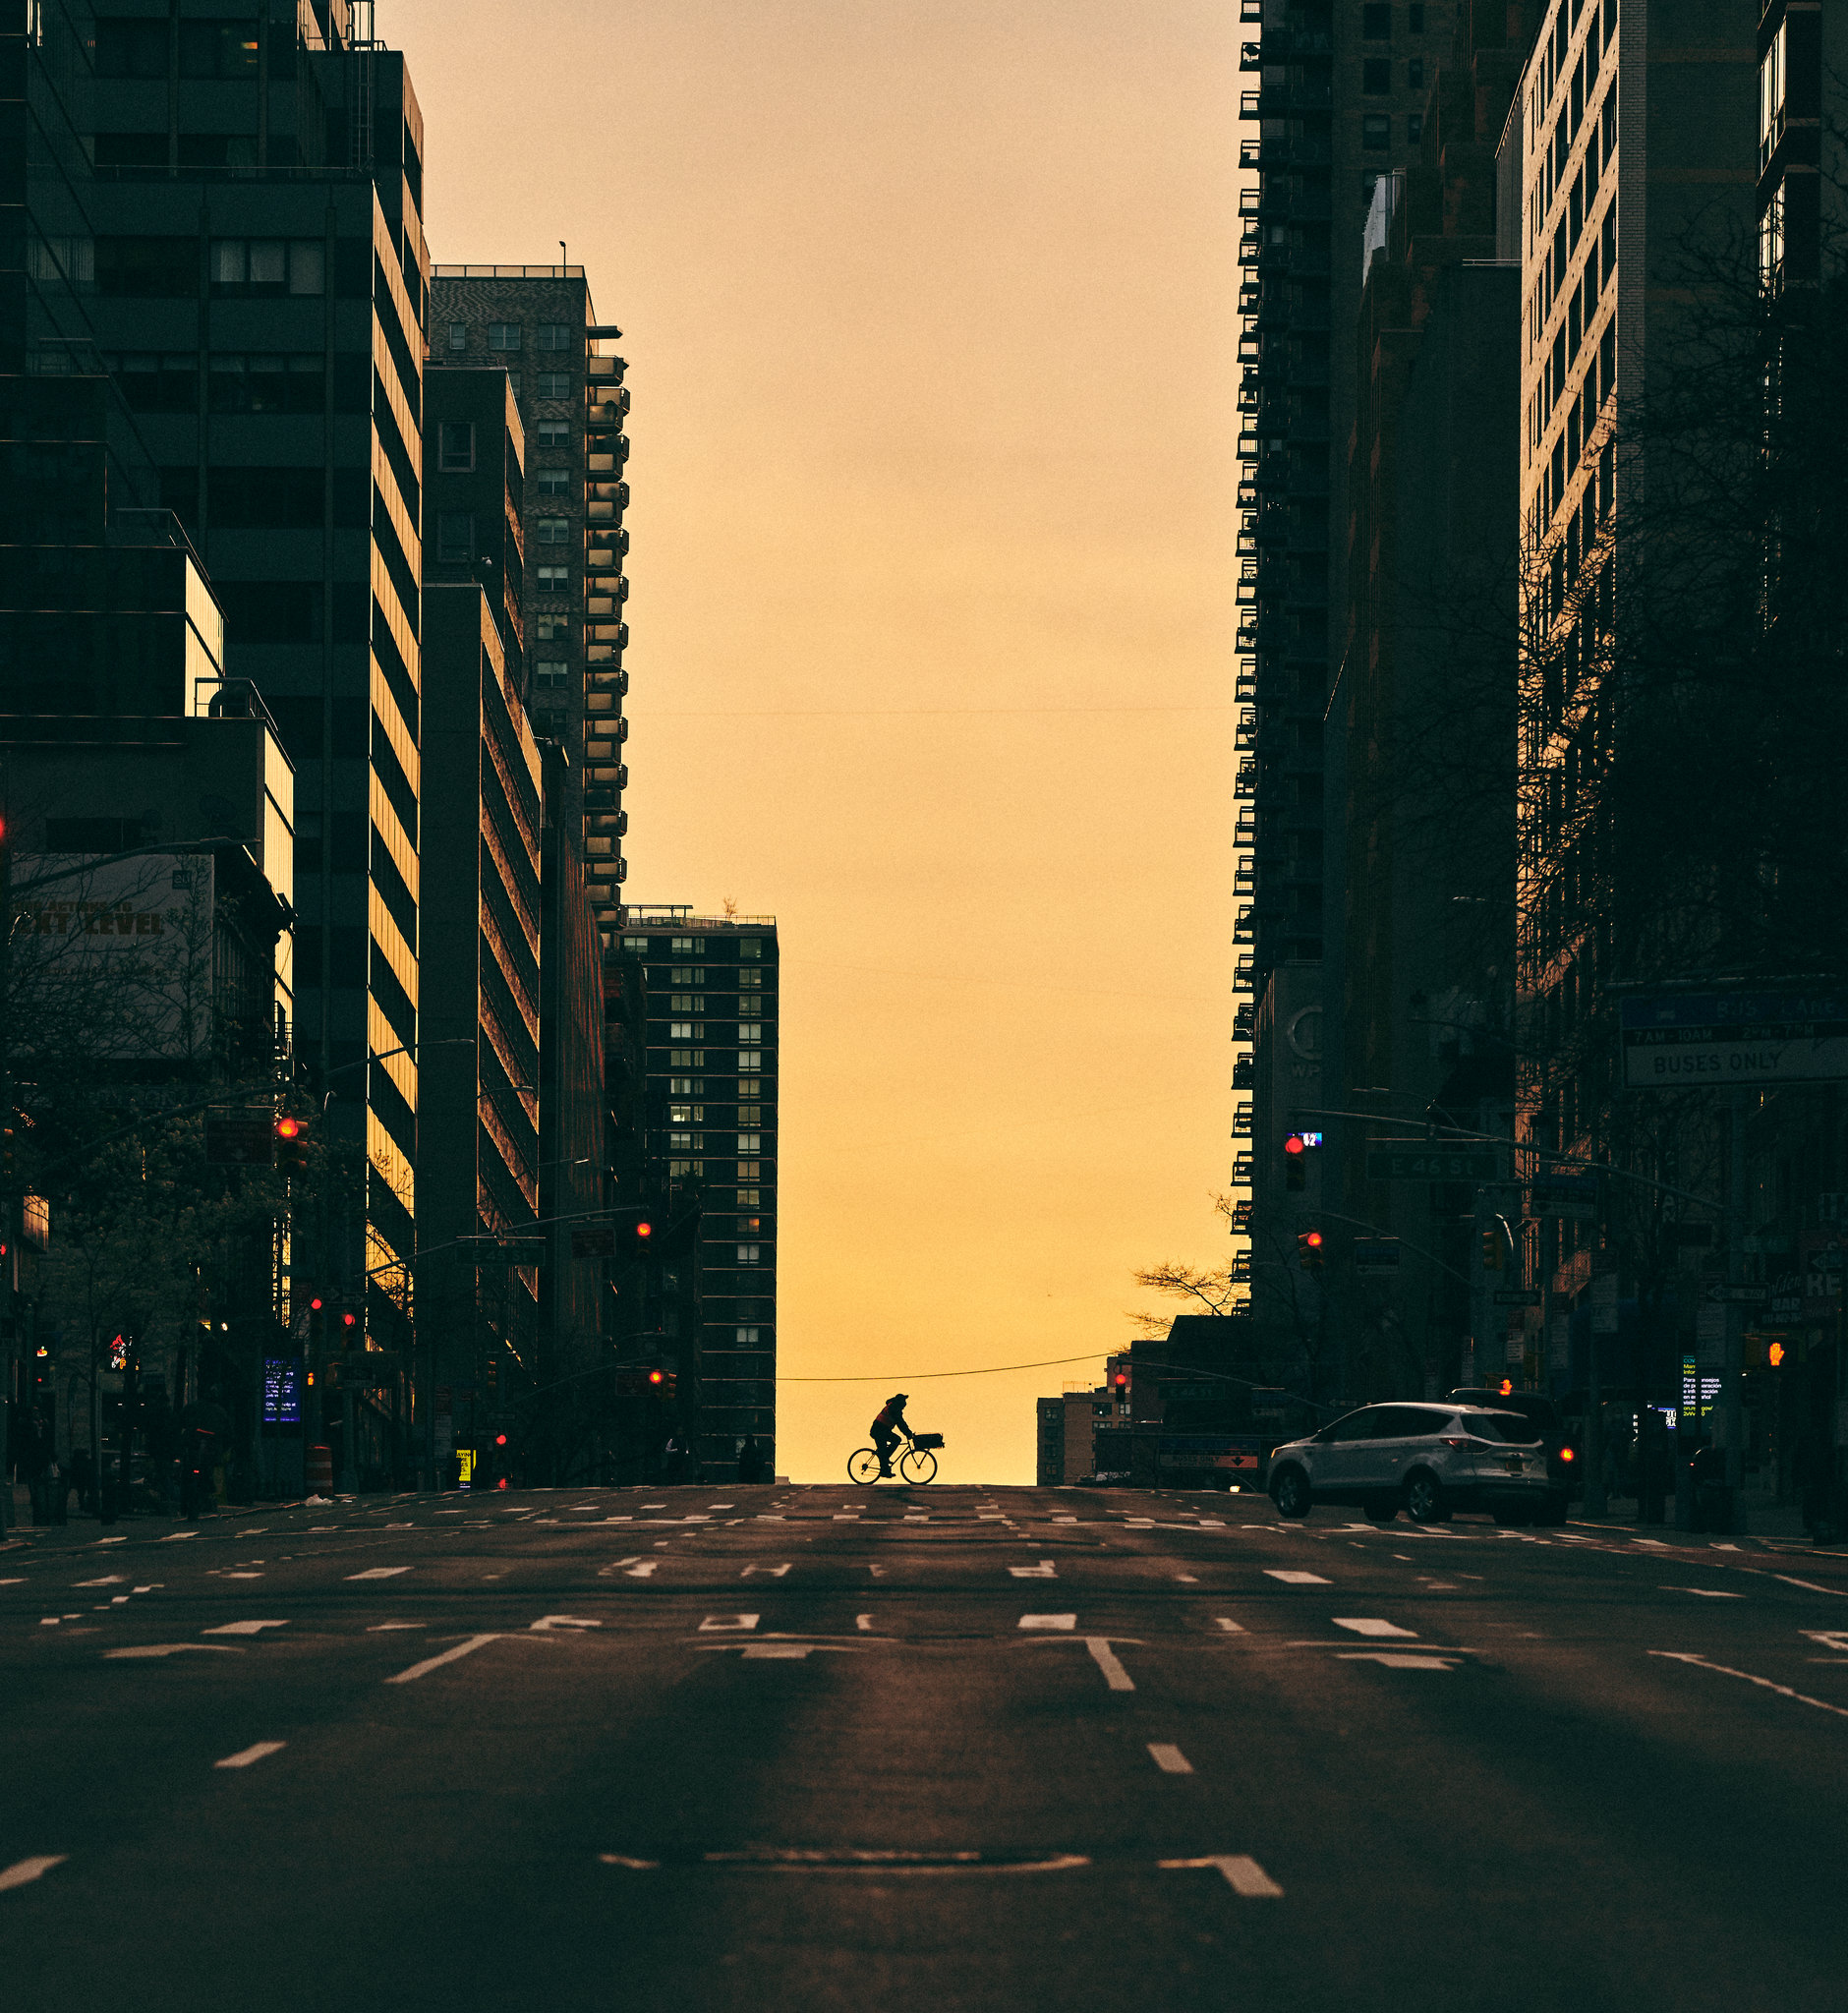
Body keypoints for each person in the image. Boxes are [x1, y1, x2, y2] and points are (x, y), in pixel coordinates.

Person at [870, 1393, 911, 1479]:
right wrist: (908, 1433)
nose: (905, 1405)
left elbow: (901, 1423)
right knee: (892, 1443)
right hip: (879, 1430)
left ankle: (884, 1459)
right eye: (904, 1402)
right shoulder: (894, 1409)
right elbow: (900, 1423)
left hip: (882, 1430)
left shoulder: (893, 1405)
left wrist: (908, 1432)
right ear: (900, 1402)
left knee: (895, 1441)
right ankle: (884, 1469)